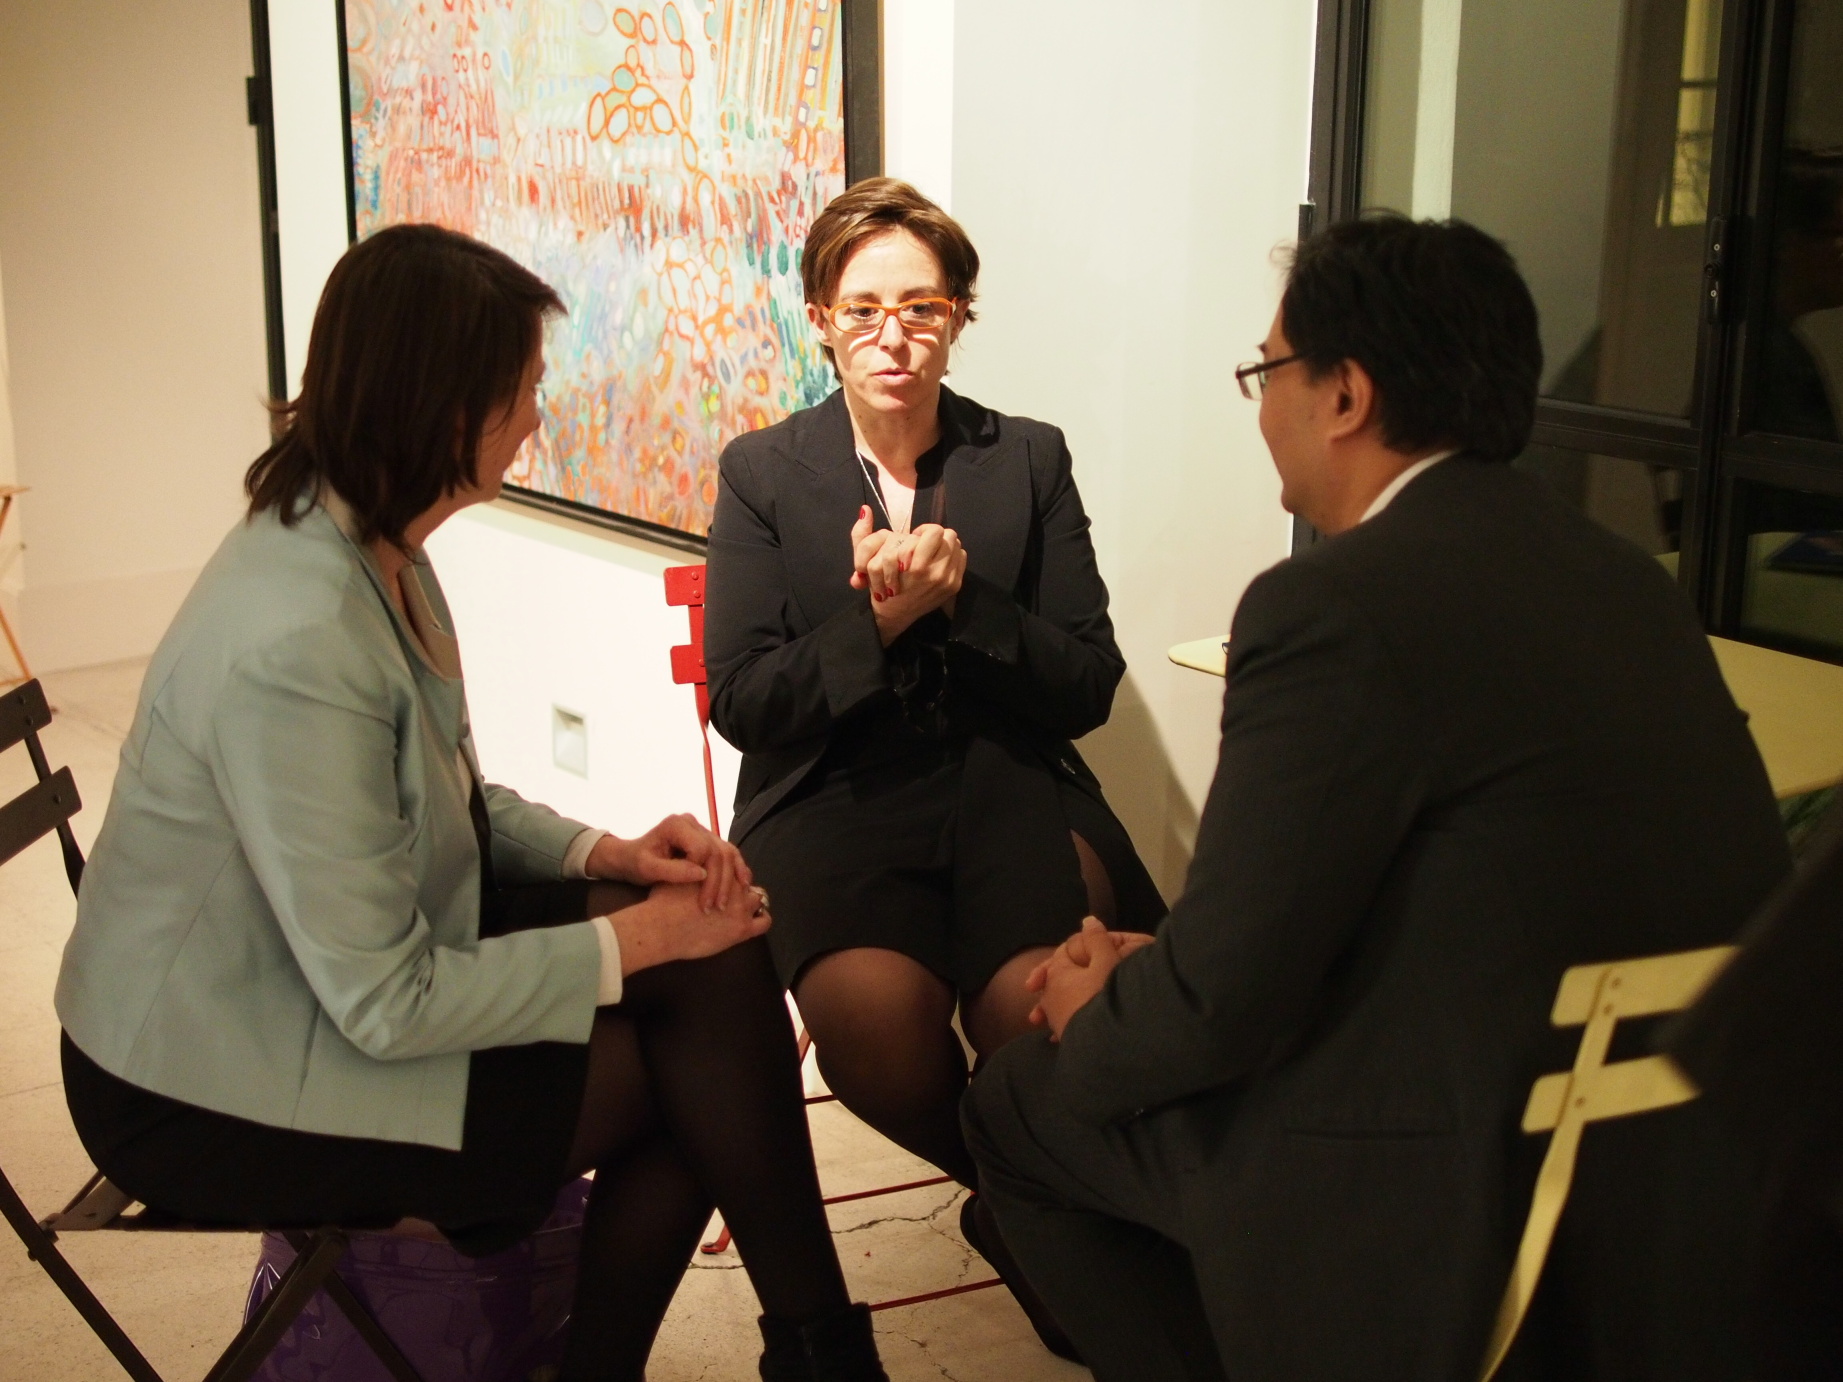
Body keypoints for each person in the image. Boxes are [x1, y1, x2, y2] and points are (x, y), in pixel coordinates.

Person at [962, 214, 1794, 1382]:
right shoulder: (1628, 580)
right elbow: (1455, 882)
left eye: (1266, 371)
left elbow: (1223, 1003)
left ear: (1344, 393)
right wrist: (1171, 969)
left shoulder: (1329, 606)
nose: (1261, 406)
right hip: (1672, 1170)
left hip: (1440, 1187)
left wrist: (1101, 1007)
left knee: (1021, 1099)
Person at [54, 224, 886, 1382]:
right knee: (692, 1071)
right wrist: (633, 938)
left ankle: (809, 1348)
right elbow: (384, 1000)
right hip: (202, 1078)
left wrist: (610, 854)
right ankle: (774, 1357)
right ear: (445, 409)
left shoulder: (375, 543)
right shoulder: (296, 636)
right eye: (525, 389)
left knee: (714, 962)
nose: (540, 415)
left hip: (306, 978)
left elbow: (443, 794)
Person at [703, 177, 1164, 1352]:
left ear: (958, 315)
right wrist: (878, 624)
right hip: (831, 792)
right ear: (820, 320)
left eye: (920, 306)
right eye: (863, 310)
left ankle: (1037, 1206)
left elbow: (1085, 680)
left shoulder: (1026, 457)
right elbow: (745, 700)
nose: (892, 335)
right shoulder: (764, 471)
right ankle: (1035, 1203)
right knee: (877, 1026)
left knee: (1038, 1009)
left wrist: (965, 604)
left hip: (1007, 776)